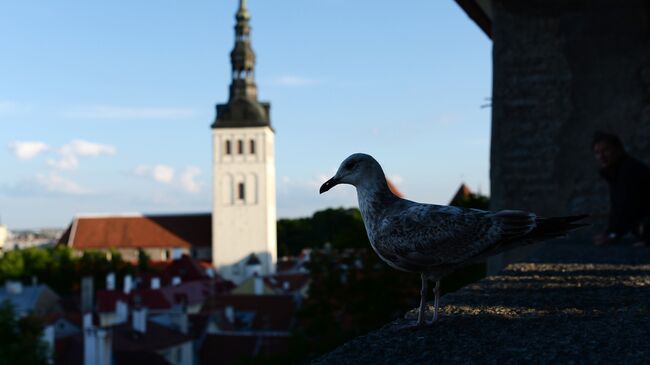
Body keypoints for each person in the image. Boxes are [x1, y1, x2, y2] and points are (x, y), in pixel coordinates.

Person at [592, 131, 650, 246]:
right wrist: (610, 233)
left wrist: (613, 235)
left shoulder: (629, 171)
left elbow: (627, 207)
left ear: (618, 150)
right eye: (597, 152)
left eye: (606, 150)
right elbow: (618, 207)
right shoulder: (615, 172)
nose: (601, 156)